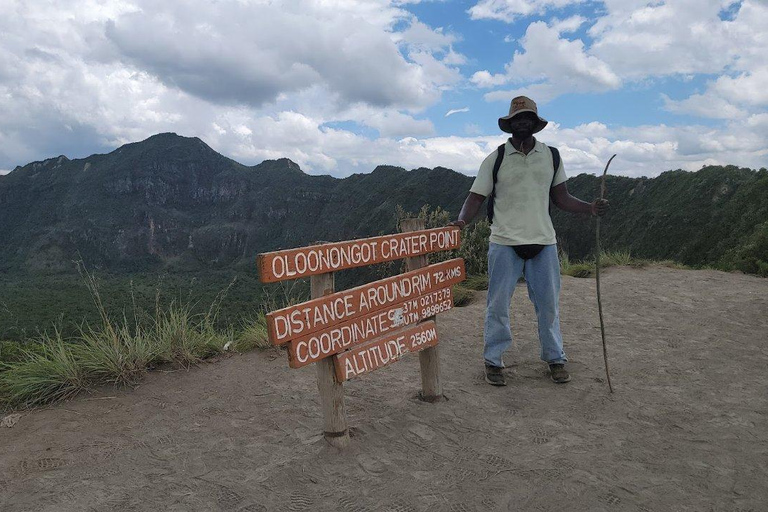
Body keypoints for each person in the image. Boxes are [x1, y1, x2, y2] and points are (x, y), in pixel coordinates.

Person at [450, 96, 609, 386]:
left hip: (544, 242)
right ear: (510, 125)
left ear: (535, 125)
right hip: (504, 241)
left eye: (528, 119)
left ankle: (555, 358)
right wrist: (461, 221)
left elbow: (561, 198)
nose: (523, 123)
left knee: (548, 306)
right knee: (497, 305)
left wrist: (589, 208)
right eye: (518, 119)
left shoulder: (552, 156)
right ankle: (494, 361)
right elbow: (475, 197)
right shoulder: (495, 159)